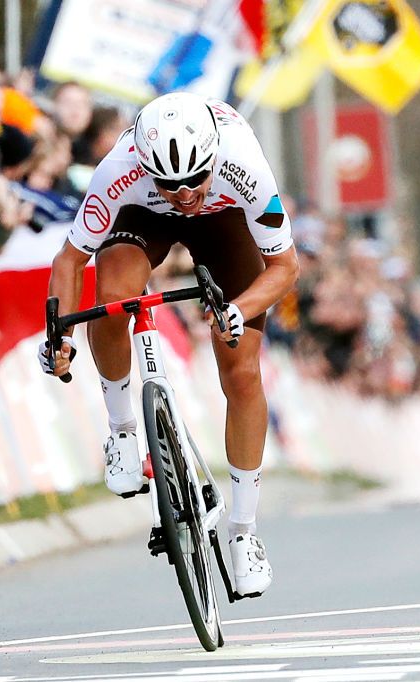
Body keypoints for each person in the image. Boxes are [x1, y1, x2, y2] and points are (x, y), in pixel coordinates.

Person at [41, 91, 299, 597]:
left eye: (194, 179)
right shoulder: (119, 171)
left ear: (213, 159)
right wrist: (60, 336)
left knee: (242, 370)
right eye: (171, 183)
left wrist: (236, 311)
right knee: (113, 297)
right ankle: (121, 431)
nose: (183, 194)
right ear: (146, 166)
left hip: (226, 222)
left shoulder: (244, 166)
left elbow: (286, 267)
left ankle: (244, 533)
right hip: (141, 217)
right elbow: (69, 262)